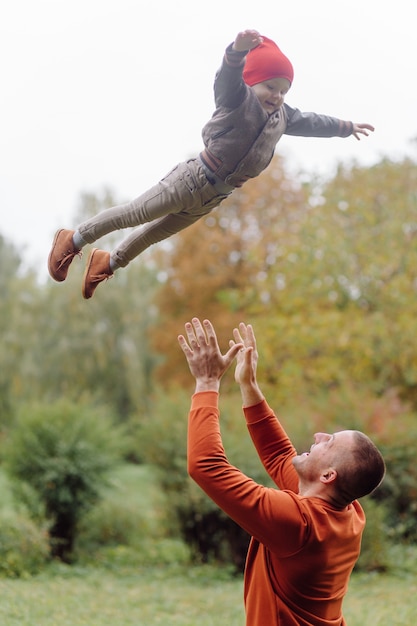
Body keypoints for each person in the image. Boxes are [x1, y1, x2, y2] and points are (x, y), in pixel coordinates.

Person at [48, 29, 374, 298]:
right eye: (270, 86)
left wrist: (346, 128)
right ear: (251, 82)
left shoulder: (283, 116)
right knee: (136, 213)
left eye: (283, 91)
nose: (276, 96)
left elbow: (313, 122)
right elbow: (227, 78)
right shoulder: (237, 99)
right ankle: (73, 239)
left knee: (153, 235)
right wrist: (236, 53)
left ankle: (106, 263)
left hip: (215, 196)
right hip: (193, 179)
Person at [178, 317, 385, 626]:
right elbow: (279, 456)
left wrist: (207, 383)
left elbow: (206, 465)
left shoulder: (298, 524)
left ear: (328, 476)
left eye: (328, 442)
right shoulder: (348, 514)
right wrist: (249, 386)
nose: (319, 435)